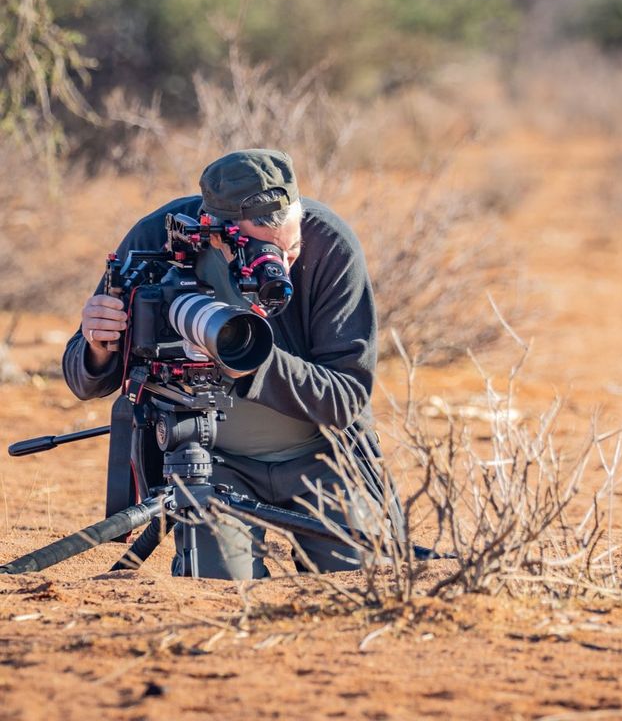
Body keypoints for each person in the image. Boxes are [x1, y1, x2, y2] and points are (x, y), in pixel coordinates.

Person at [62, 149, 398, 579]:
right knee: (220, 592)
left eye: (291, 249)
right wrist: (98, 346)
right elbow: (83, 379)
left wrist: (251, 361)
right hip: (209, 463)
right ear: (214, 232)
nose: (282, 267)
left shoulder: (330, 244)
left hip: (325, 458)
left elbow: (346, 398)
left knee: (361, 582)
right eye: (262, 251)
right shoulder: (157, 239)